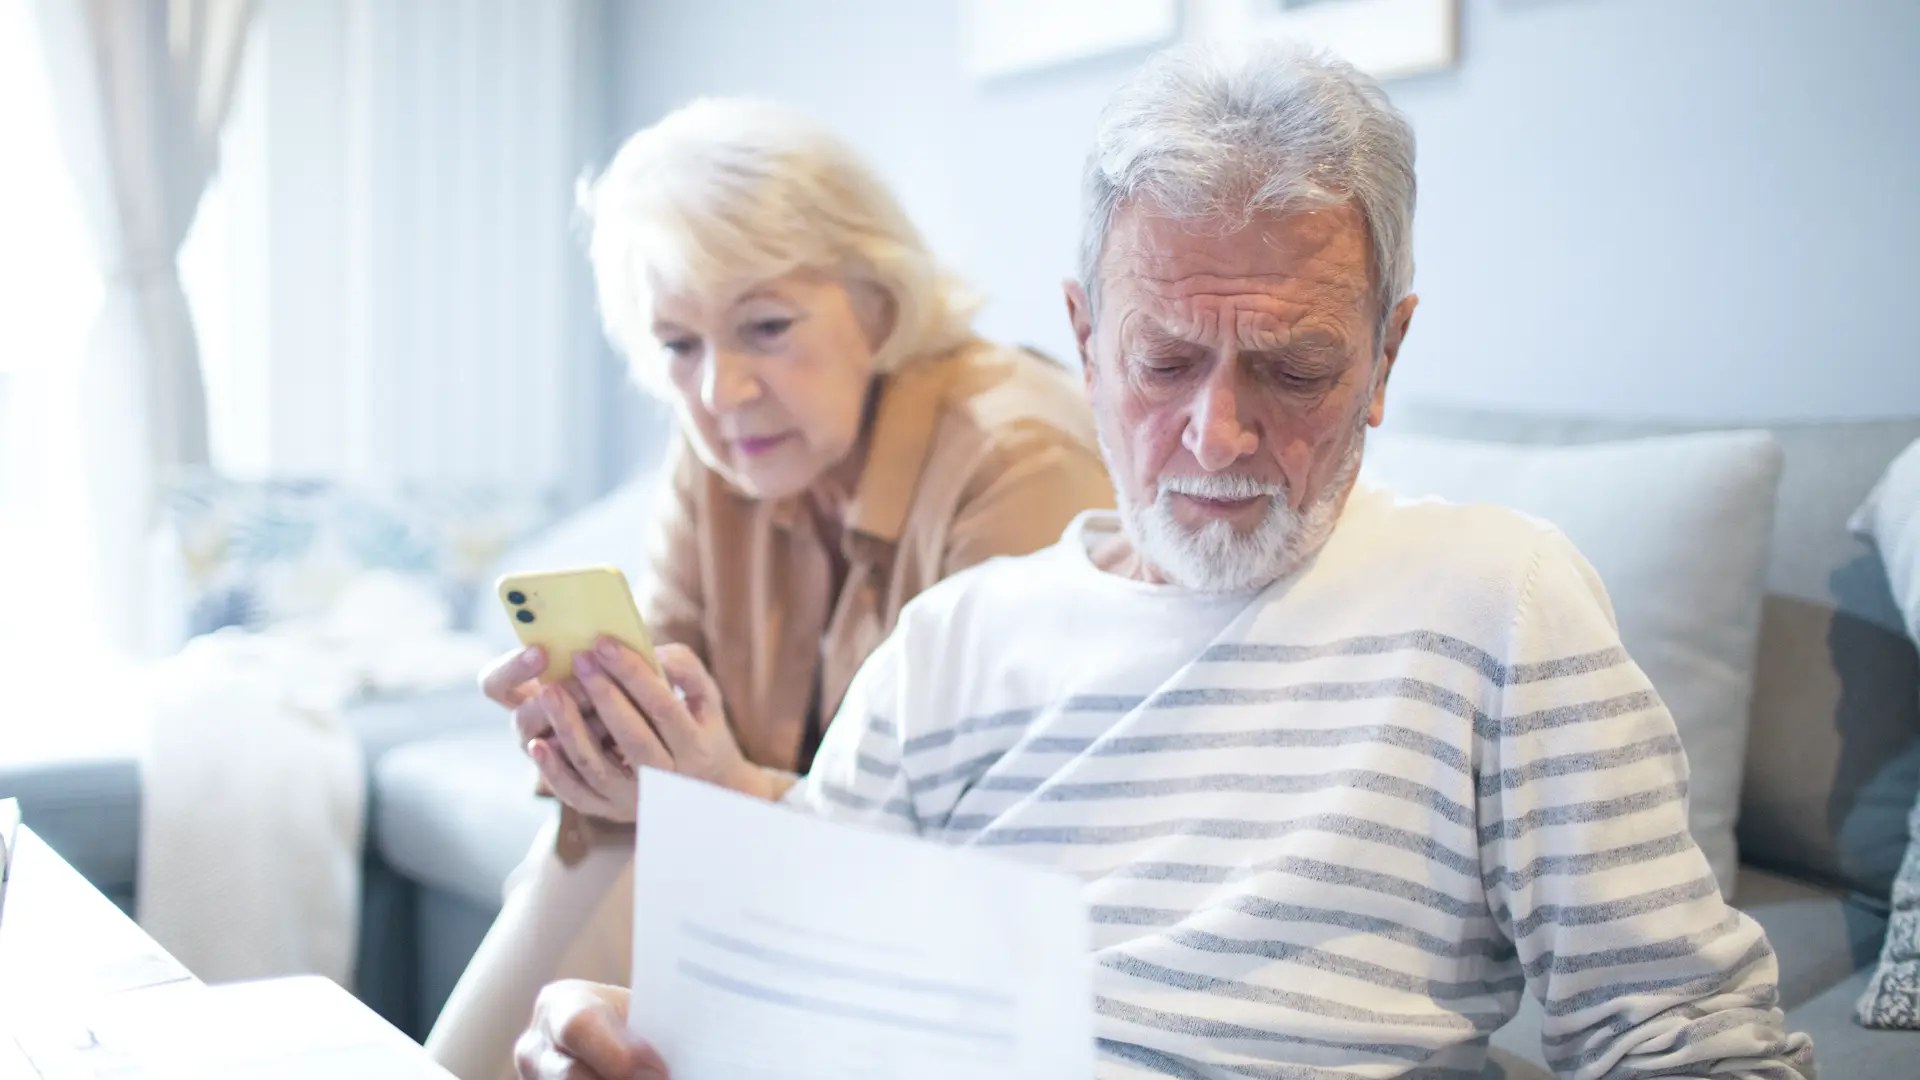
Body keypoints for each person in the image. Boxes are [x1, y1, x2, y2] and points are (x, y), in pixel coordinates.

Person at [510, 41, 1816, 1080]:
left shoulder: (1499, 601)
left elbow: (1689, 1040)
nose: (1222, 432)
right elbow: (804, 977)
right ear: (1084, 340)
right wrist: (645, 1039)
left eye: (1295, 366)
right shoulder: (957, 640)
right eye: (1165, 361)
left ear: (1387, 355)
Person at [425, 98, 1114, 1080]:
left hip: (948, 931)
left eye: (766, 326)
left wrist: (711, 789)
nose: (719, 393)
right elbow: (665, 770)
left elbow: (988, 874)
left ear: (878, 305)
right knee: (594, 846)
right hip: (777, 880)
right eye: (679, 344)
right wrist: (601, 747)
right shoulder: (719, 451)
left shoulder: (1017, 460)